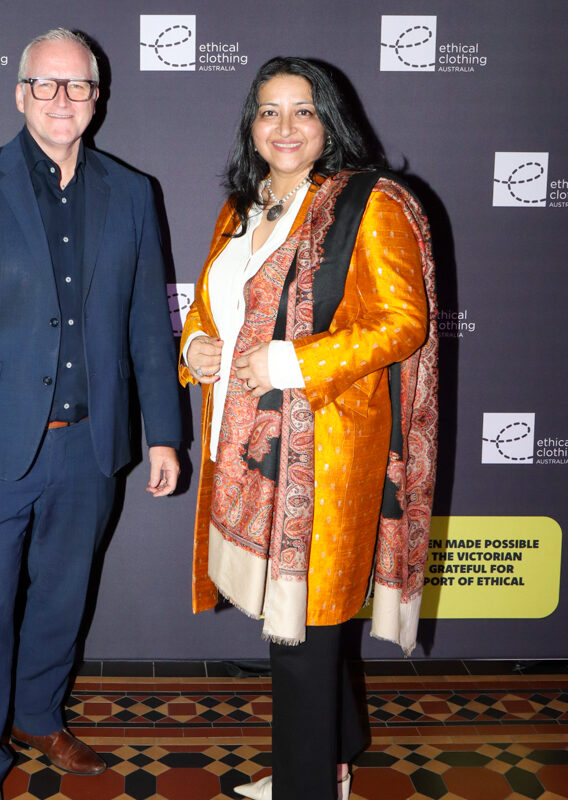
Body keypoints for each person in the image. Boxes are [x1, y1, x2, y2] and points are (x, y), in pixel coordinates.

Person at [0, 28, 182, 800]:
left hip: (90, 447)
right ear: (20, 93)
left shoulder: (132, 192)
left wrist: (162, 430)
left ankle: (37, 715)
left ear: (98, 98)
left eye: (79, 86)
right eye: (47, 85)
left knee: (62, 601)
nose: (63, 100)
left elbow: (144, 328)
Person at [179, 57, 437, 800]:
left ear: (330, 121)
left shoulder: (369, 203)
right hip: (251, 448)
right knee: (297, 618)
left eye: (303, 111)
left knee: (299, 627)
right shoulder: (242, 207)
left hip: (326, 449)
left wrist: (293, 361)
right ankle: (338, 750)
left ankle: (307, 785)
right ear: (250, 125)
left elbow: (403, 322)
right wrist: (195, 345)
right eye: (268, 111)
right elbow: (212, 307)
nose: (285, 127)